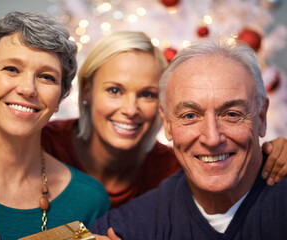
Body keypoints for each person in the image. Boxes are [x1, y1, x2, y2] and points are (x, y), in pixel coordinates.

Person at [0, 31, 287, 209]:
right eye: (114, 90)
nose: (130, 109)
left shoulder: (176, 167)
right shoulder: (42, 139)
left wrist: (271, 153)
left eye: (146, 95)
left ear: (163, 107)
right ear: (85, 92)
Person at [0, 11, 110, 240]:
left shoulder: (90, 200)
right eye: (11, 69)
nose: (28, 89)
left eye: (47, 77)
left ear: (59, 101)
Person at [89, 36, 287, 239]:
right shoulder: (124, 228)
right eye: (190, 116)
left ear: (261, 118)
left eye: (231, 114)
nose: (212, 138)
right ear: (167, 124)